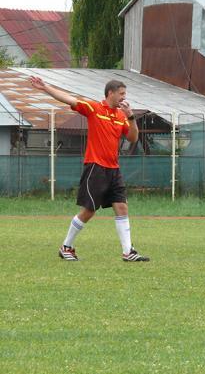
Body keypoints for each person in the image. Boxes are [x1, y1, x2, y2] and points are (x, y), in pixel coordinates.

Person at [30, 76, 150, 262]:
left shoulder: (121, 116)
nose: (124, 97)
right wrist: (45, 87)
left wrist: (131, 117)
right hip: (96, 167)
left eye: (125, 94)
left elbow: (133, 138)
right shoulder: (94, 108)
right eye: (121, 94)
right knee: (89, 211)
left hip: (113, 169)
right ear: (110, 93)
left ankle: (128, 252)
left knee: (122, 207)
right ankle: (66, 247)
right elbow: (69, 99)